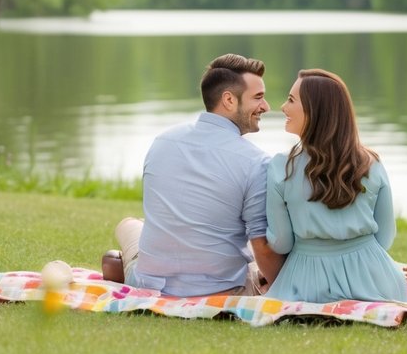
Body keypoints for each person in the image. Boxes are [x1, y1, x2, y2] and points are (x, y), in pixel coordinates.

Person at [111, 54, 285, 296]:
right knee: (255, 261)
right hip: (221, 289)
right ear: (229, 100)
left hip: (147, 283)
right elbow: (262, 247)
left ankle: (123, 252)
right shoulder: (257, 162)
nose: (266, 106)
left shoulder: (162, 141)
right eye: (258, 97)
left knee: (132, 227)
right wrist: (285, 286)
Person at [265, 68, 407, 304]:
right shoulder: (371, 163)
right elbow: (385, 238)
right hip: (375, 279)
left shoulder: (282, 166)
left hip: (306, 284)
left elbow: (282, 243)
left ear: (315, 111)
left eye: (291, 100)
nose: (283, 107)